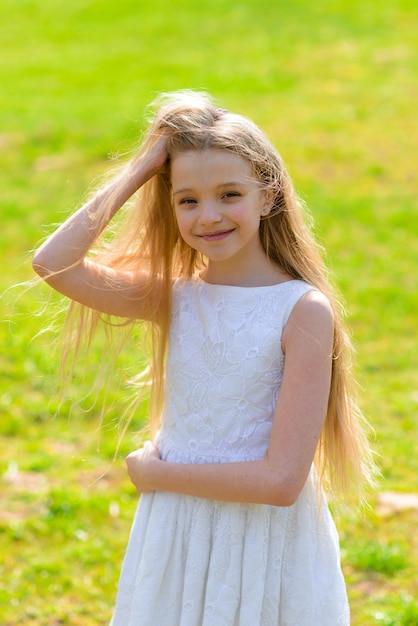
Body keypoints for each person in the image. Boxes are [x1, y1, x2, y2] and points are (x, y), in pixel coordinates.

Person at [33, 90, 375, 625]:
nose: (208, 215)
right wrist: (143, 168)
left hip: (260, 541)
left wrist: (158, 475)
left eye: (230, 194)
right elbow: (53, 263)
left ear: (268, 196)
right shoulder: (177, 296)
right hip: (177, 533)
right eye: (187, 199)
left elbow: (281, 482)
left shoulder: (301, 310)